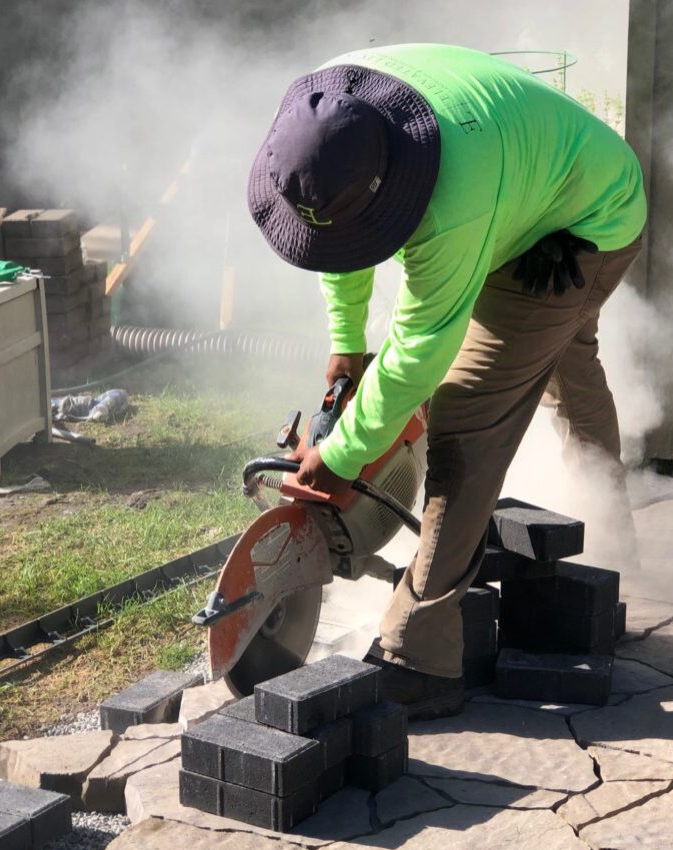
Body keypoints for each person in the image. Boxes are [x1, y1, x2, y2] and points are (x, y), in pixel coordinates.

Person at [248, 43, 647, 719]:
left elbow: (422, 350)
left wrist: (342, 456)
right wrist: (347, 343)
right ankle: (612, 550)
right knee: (568, 369)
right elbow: (336, 234)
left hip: (584, 223)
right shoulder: (330, 121)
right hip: (531, 185)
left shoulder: (451, 197)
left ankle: (420, 654)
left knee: (467, 419)